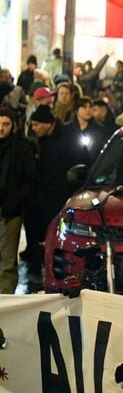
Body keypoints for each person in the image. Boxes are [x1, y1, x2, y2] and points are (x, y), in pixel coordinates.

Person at [24, 105, 88, 292]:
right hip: (41, 199)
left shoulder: (69, 136)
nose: (33, 128)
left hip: (63, 197)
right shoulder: (38, 141)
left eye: (36, 124)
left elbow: (82, 162)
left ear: (47, 124)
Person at [0, 108, 38, 294]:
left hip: (10, 211)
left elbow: (29, 180)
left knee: (7, 260)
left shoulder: (21, 148)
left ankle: (4, 300)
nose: (1, 129)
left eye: (5, 124)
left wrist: (14, 202)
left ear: (13, 126)